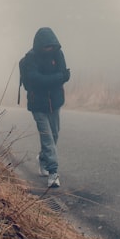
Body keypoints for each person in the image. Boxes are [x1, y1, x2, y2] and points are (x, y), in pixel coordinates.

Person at [18, 27, 70, 188]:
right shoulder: (30, 58)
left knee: (54, 135)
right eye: (47, 46)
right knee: (47, 138)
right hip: (37, 104)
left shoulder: (58, 54)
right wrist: (57, 78)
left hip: (55, 102)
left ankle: (42, 158)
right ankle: (53, 172)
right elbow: (35, 79)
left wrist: (51, 79)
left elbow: (64, 75)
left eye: (52, 46)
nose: (49, 49)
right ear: (40, 45)